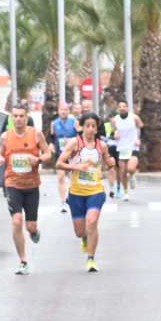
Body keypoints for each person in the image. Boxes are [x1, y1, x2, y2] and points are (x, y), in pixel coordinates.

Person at [0, 106, 52, 275]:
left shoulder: (36, 134)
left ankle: (34, 232)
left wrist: (38, 159)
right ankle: (23, 261)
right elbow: (0, 154)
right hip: (12, 183)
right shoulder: (5, 137)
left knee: (30, 226)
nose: (19, 119)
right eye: (15, 116)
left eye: (21, 116)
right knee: (16, 221)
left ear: (26, 118)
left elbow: (48, 153)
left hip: (31, 185)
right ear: (12, 119)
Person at [58, 112, 114, 272]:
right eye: (87, 126)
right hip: (76, 193)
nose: (90, 129)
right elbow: (59, 163)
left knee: (92, 221)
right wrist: (76, 167)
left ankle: (91, 259)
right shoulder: (74, 144)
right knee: (80, 231)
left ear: (97, 129)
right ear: (82, 127)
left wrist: (111, 162)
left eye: (93, 126)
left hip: (95, 190)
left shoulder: (101, 146)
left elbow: (107, 161)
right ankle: (84, 238)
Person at [110, 101, 143, 199]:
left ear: (127, 108)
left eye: (124, 106)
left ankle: (132, 176)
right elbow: (112, 132)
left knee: (130, 168)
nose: (122, 108)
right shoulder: (115, 120)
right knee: (122, 172)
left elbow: (142, 128)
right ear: (118, 109)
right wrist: (114, 135)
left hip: (133, 146)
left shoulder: (134, 117)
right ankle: (125, 192)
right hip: (121, 147)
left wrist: (139, 139)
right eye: (120, 106)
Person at [51, 102, 79, 211]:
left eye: (66, 110)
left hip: (72, 154)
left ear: (69, 111)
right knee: (61, 177)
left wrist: (71, 141)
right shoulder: (54, 123)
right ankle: (63, 202)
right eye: (61, 110)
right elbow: (52, 137)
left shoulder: (74, 122)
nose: (63, 112)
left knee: (73, 178)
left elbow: (80, 135)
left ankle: (73, 198)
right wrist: (51, 145)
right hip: (60, 153)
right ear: (58, 111)